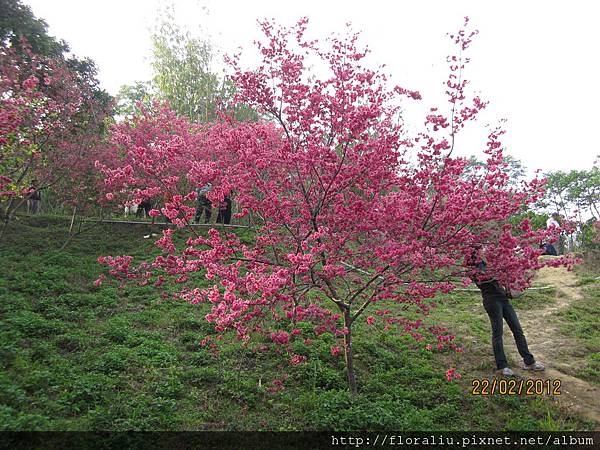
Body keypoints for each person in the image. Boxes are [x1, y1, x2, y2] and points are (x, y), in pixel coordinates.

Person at [469, 250, 545, 376]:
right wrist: (497, 273)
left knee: (517, 330)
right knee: (498, 333)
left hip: (503, 298)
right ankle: (502, 365)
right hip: (491, 300)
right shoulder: (475, 266)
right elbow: (485, 280)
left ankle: (529, 361)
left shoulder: (490, 260)